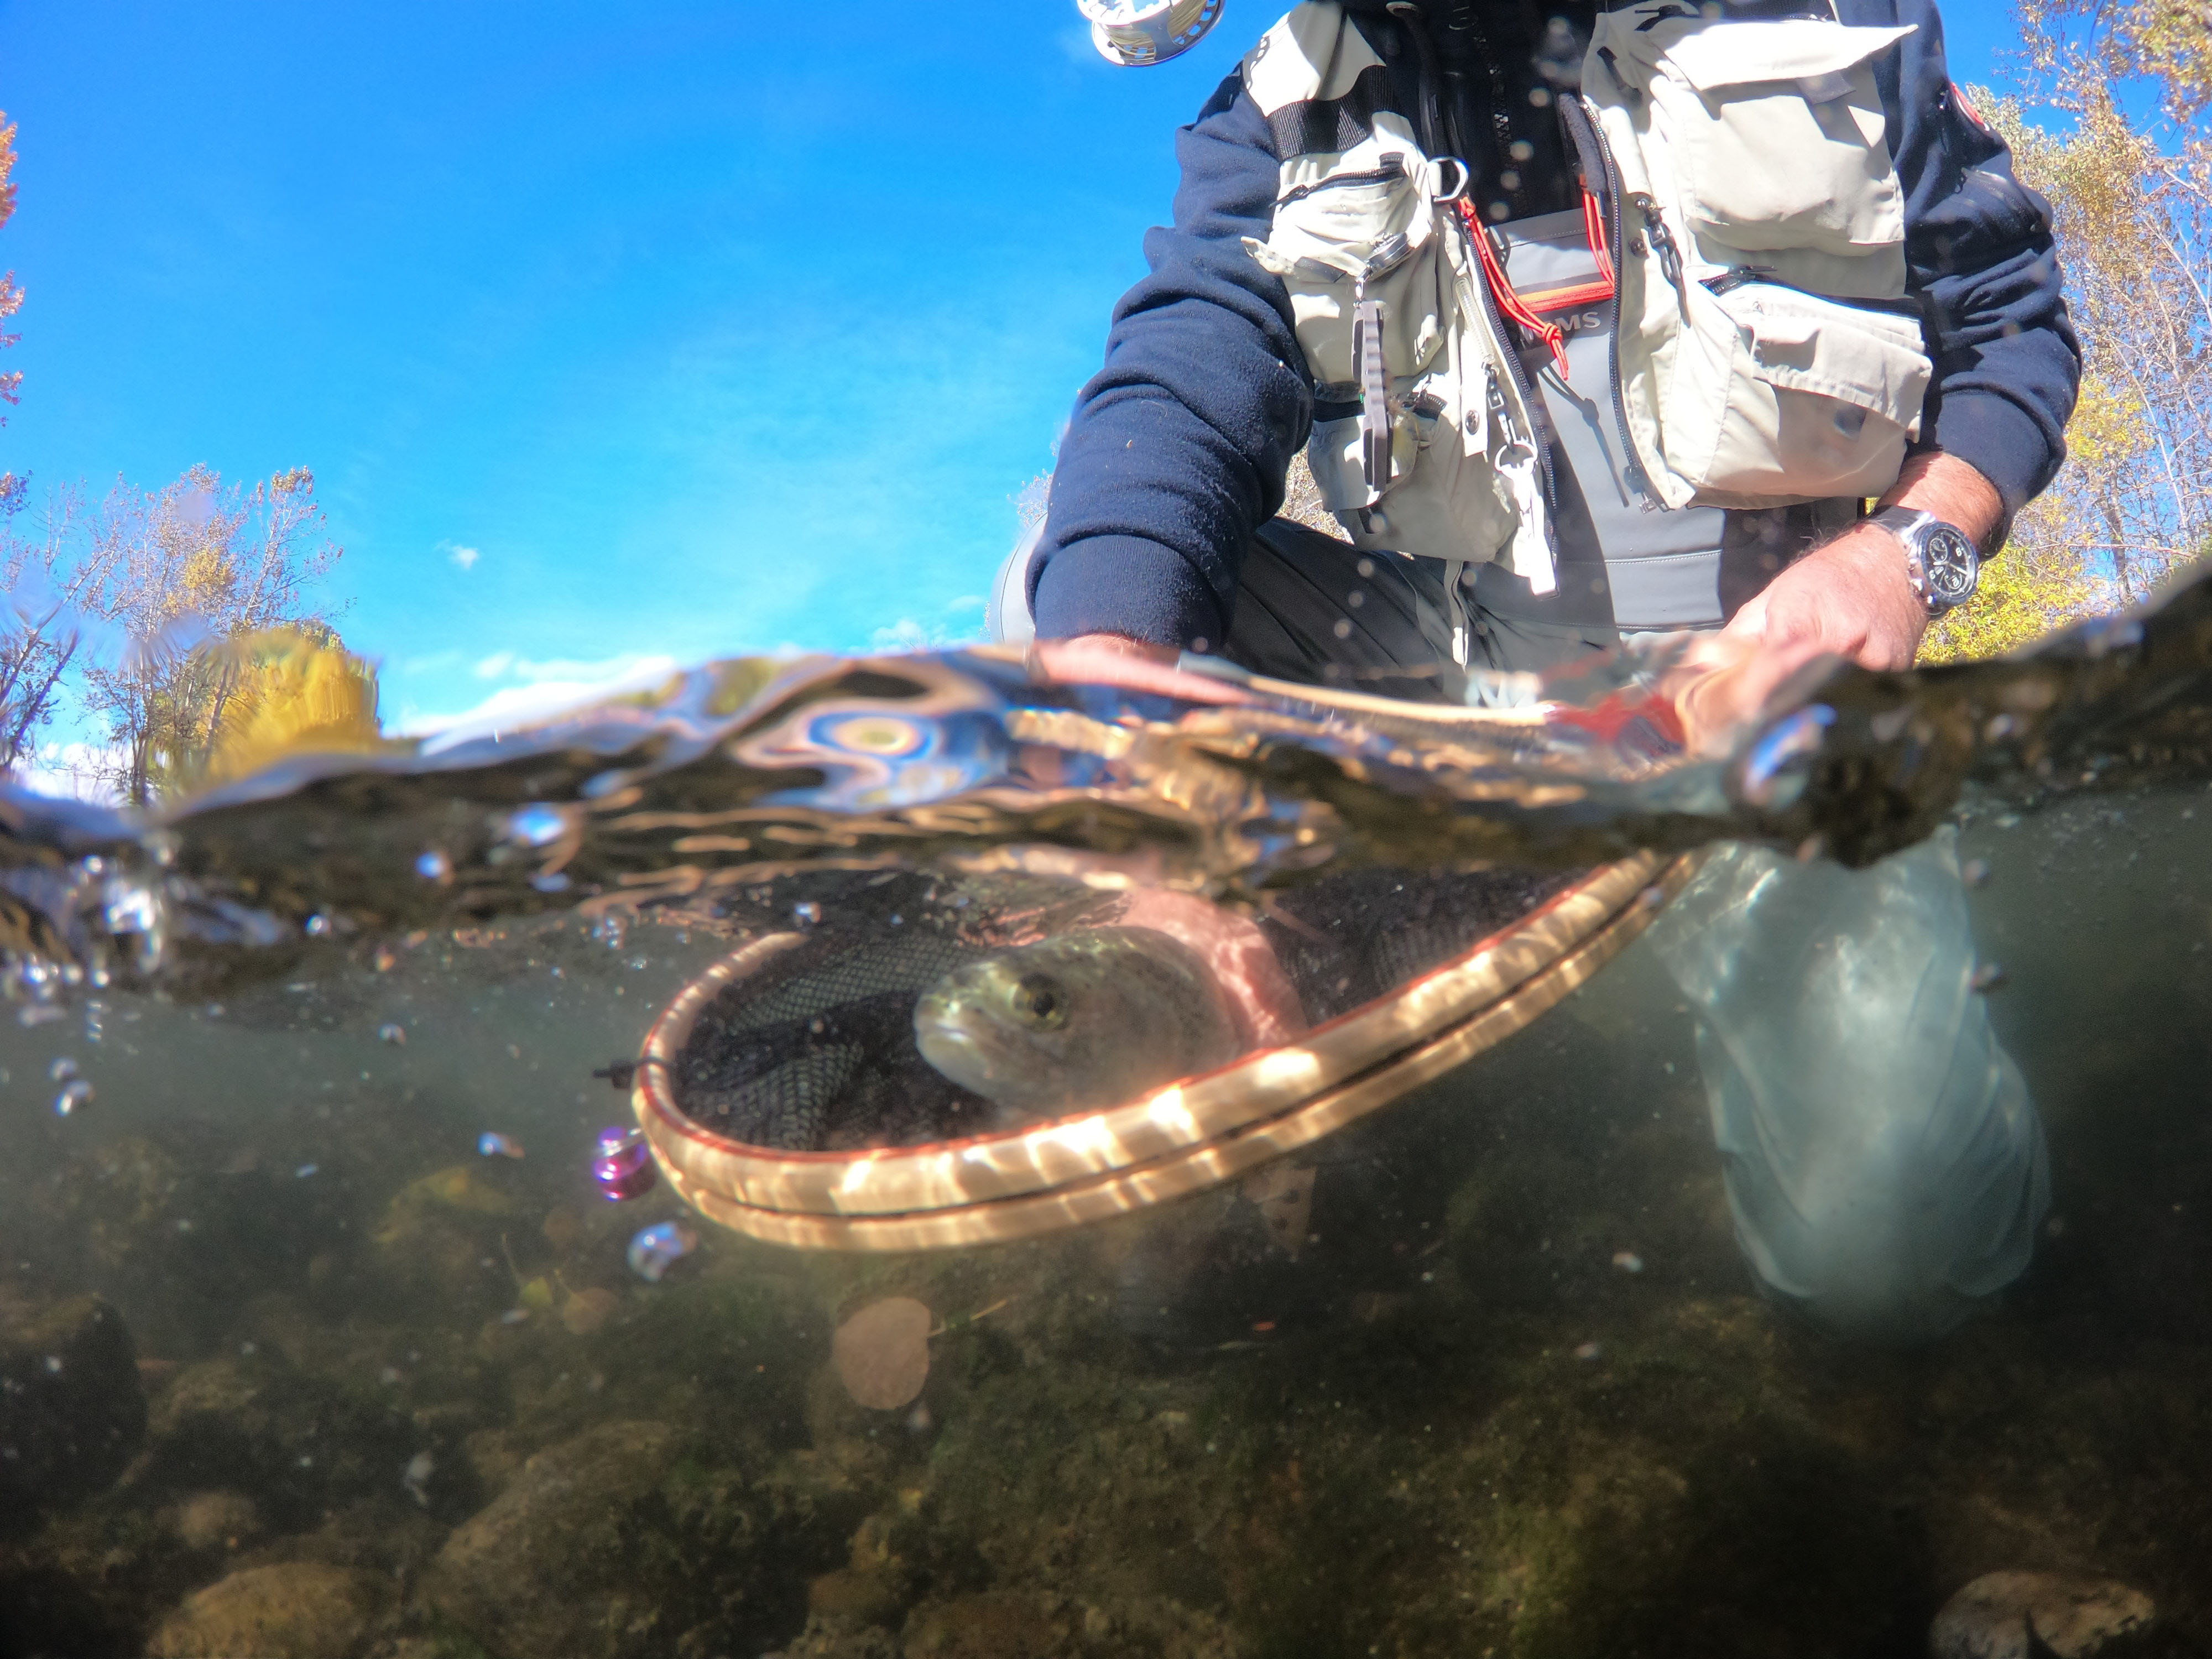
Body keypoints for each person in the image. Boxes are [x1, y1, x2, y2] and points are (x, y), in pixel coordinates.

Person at [994, 0, 2078, 1340]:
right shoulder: (1269, 112)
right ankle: (1230, 974)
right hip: (1470, 683)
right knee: (1069, 561)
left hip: (1763, 705)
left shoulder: (1834, 19)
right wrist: (1117, 696)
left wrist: (1899, 562)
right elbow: (1181, 371)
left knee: (1892, 1258)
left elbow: (2009, 329)